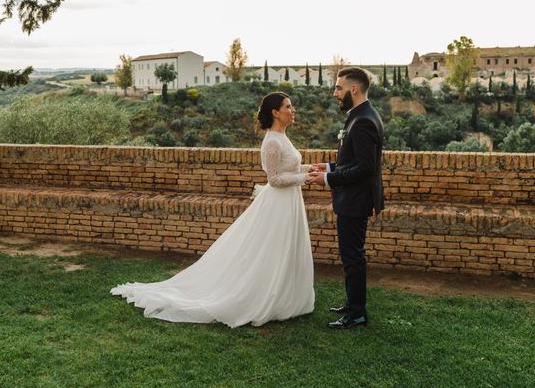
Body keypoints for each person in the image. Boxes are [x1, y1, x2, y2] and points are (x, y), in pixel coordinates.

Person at [111, 92, 318, 328]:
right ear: (275, 112)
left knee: (285, 249)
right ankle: (263, 295)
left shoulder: (282, 137)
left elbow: (288, 167)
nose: (293, 111)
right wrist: (306, 178)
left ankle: (285, 296)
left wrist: (311, 168)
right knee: (270, 251)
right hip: (279, 203)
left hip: (289, 201)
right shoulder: (271, 140)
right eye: (288, 107)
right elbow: (274, 179)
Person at [309, 67, 384, 329]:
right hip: (353, 198)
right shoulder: (359, 115)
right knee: (351, 256)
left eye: (338, 88)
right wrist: (328, 167)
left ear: (354, 89)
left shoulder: (363, 120)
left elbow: (365, 168)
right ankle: (354, 305)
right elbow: (351, 160)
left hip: (355, 200)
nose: (335, 93)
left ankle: (356, 314)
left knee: (352, 257)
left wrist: (328, 180)